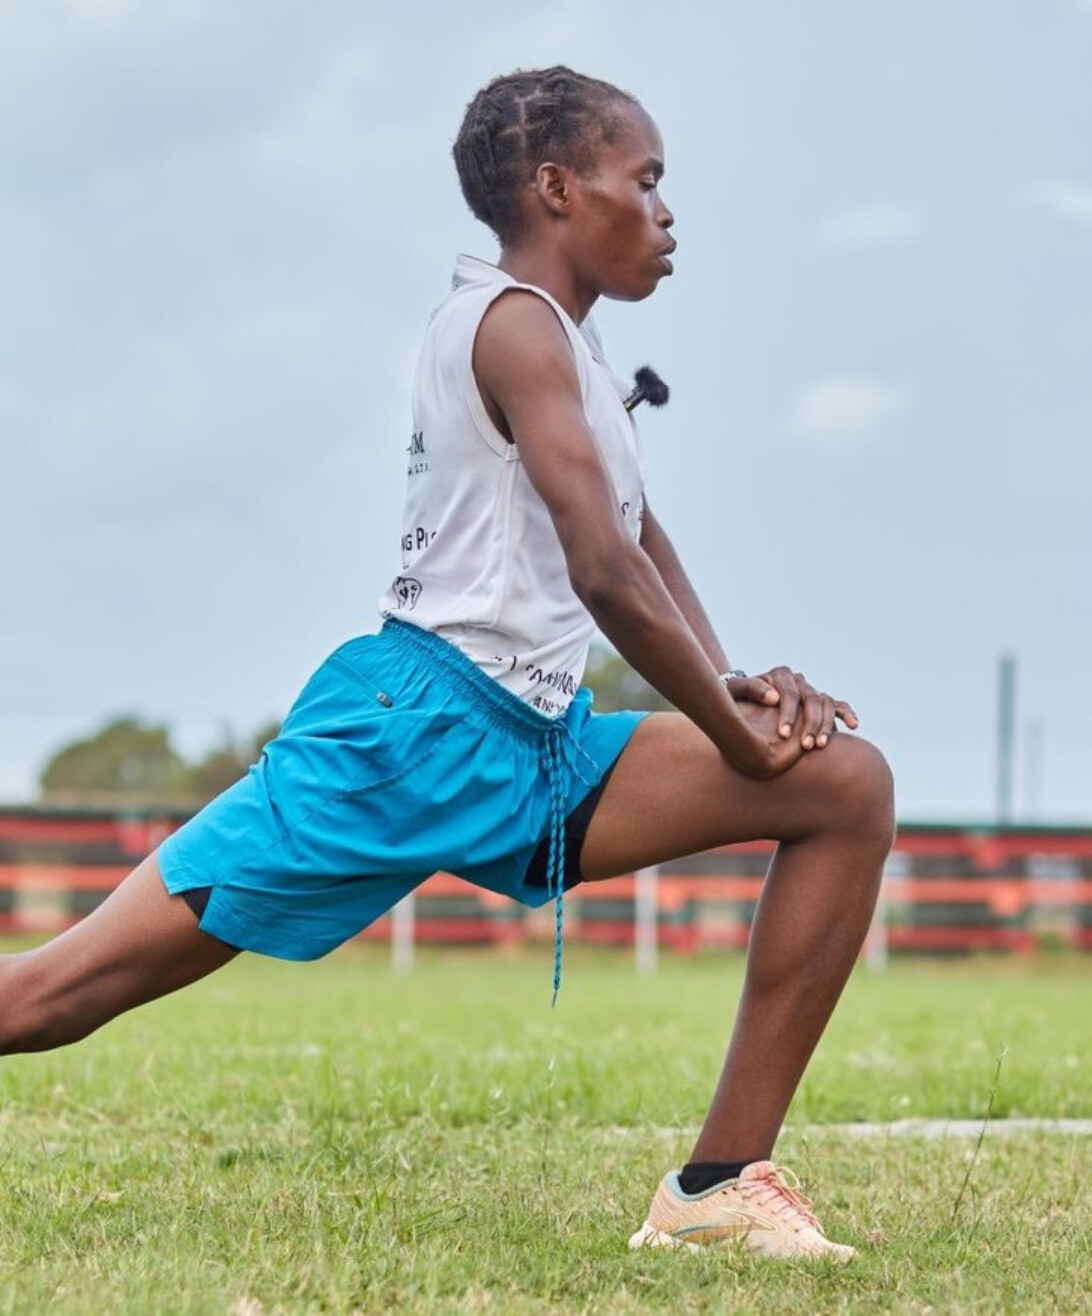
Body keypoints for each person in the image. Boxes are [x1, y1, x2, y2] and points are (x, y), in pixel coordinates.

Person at [0, 66, 894, 1262]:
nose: (666, 211)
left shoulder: (576, 348)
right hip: (407, 736)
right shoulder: (511, 325)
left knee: (841, 784)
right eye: (645, 181)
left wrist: (728, 684)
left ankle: (716, 1184)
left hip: (536, 744)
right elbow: (601, 571)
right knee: (53, 995)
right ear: (557, 188)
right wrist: (735, 737)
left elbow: (637, 536)